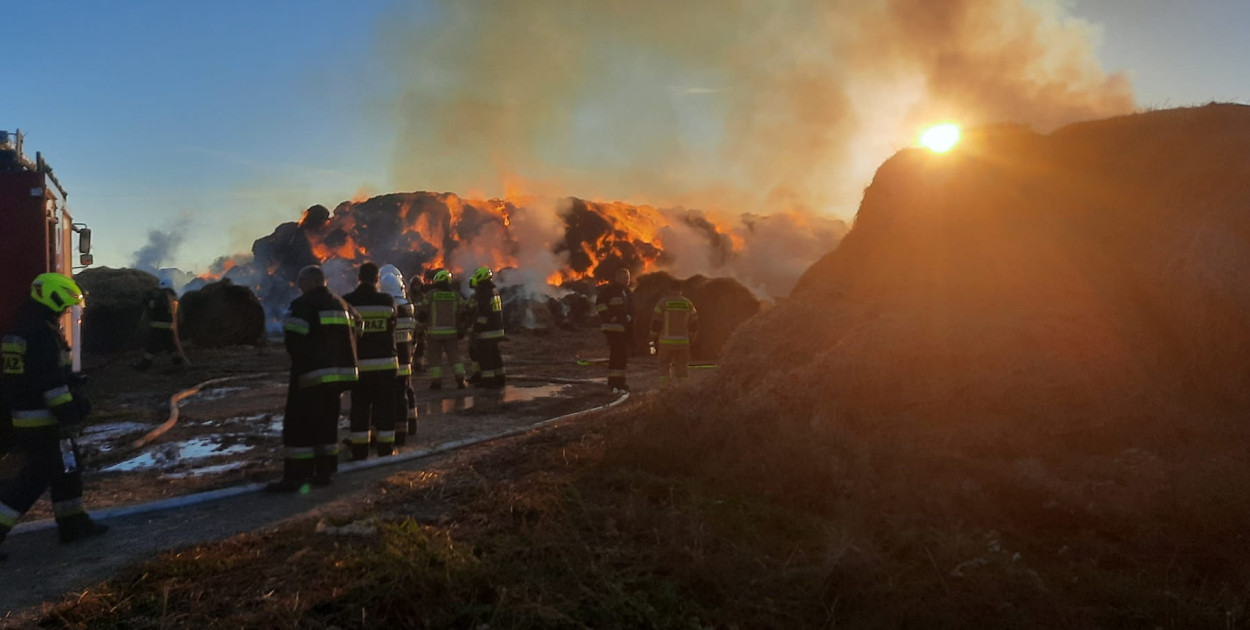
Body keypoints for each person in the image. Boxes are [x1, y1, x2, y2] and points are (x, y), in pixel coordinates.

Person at [0, 273, 108, 557]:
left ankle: (74, 524)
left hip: (28, 415)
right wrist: (69, 409)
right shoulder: (41, 332)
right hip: (43, 418)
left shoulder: (24, 327)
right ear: (52, 296)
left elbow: (34, 376)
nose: (65, 310)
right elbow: (48, 381)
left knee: (67, 470)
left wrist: (71, 383)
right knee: (33, 480)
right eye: (64, 303)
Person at [267, 265, 359, 492]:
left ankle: (297, 476)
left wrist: (304, 365)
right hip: (338, 378)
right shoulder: (342, 304)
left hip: (310, 377)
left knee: (299, 426)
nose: (298, 285)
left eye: (301, 280)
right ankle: (325, 472)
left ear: (310, 281)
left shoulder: (304, 305)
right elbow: (359, 328)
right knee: (327, 424)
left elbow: (294, 340)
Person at [342, 263, 399, 460]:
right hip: (386, 365)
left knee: (359, 409)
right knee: (385, 408)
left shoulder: (348, 302)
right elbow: (393, 326)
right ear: (377, 279)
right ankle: (386, 449)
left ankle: (359, 452)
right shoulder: (387, 301)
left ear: (359, 277)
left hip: (360, 367)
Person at [380, 267, 417, 447]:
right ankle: (408, 427)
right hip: (406, 358)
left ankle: (386, 434)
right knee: (405, 392)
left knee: (387, 397)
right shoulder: (409, 308)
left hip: (390, 360)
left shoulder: (387, 310)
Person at [420, 269, 468, 390]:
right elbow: (463, 312)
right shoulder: (455, 295)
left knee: (435, 358)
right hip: (451, 332)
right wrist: (461, 328)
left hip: (434, 333)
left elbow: (422, 312)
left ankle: (436, 383)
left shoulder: (431, 294)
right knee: (455, 357)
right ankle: (460, 380)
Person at [132, 278, 188, 371]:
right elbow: (177, 313)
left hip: (158, 326)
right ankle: (177, 362)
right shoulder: (173, 298)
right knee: (170, 346)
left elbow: (153, 305)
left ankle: (144, 365)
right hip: (170, 327)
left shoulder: (161, 296)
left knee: (151, 347)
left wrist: (147, 300)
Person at [650, 283, 699, 386]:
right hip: (683, 342)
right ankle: (683, 390)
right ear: (681, 290)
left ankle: (664, 390)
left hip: (665, 342)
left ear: (669, 289)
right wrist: (692, 337)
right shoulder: (688, 303)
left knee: (664, 365)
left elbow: (656, 323)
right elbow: (694, 323)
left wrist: (653, 338)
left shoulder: (662, 303)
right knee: (682, 367)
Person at [596, 268, 634, 393]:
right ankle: (614, 383)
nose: (627, 280)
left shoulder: (627, 292)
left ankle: (619, 382)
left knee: (621, 356)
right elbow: (600, 304)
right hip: (613, 329)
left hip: (623, 329)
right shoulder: (609, 291)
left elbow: (630, 309)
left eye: (628, 277)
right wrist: (610, 317)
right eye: (624, 277)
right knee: (617, 355)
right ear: (617, 277)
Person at [467, 267, 506, 388]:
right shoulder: (494, 291)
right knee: (495, 355)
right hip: (497, 329)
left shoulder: (484, 293)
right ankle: (500, 378)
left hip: (486, 331)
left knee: (485, 357)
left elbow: (483, 313)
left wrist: (477, 327)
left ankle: (488, 381)